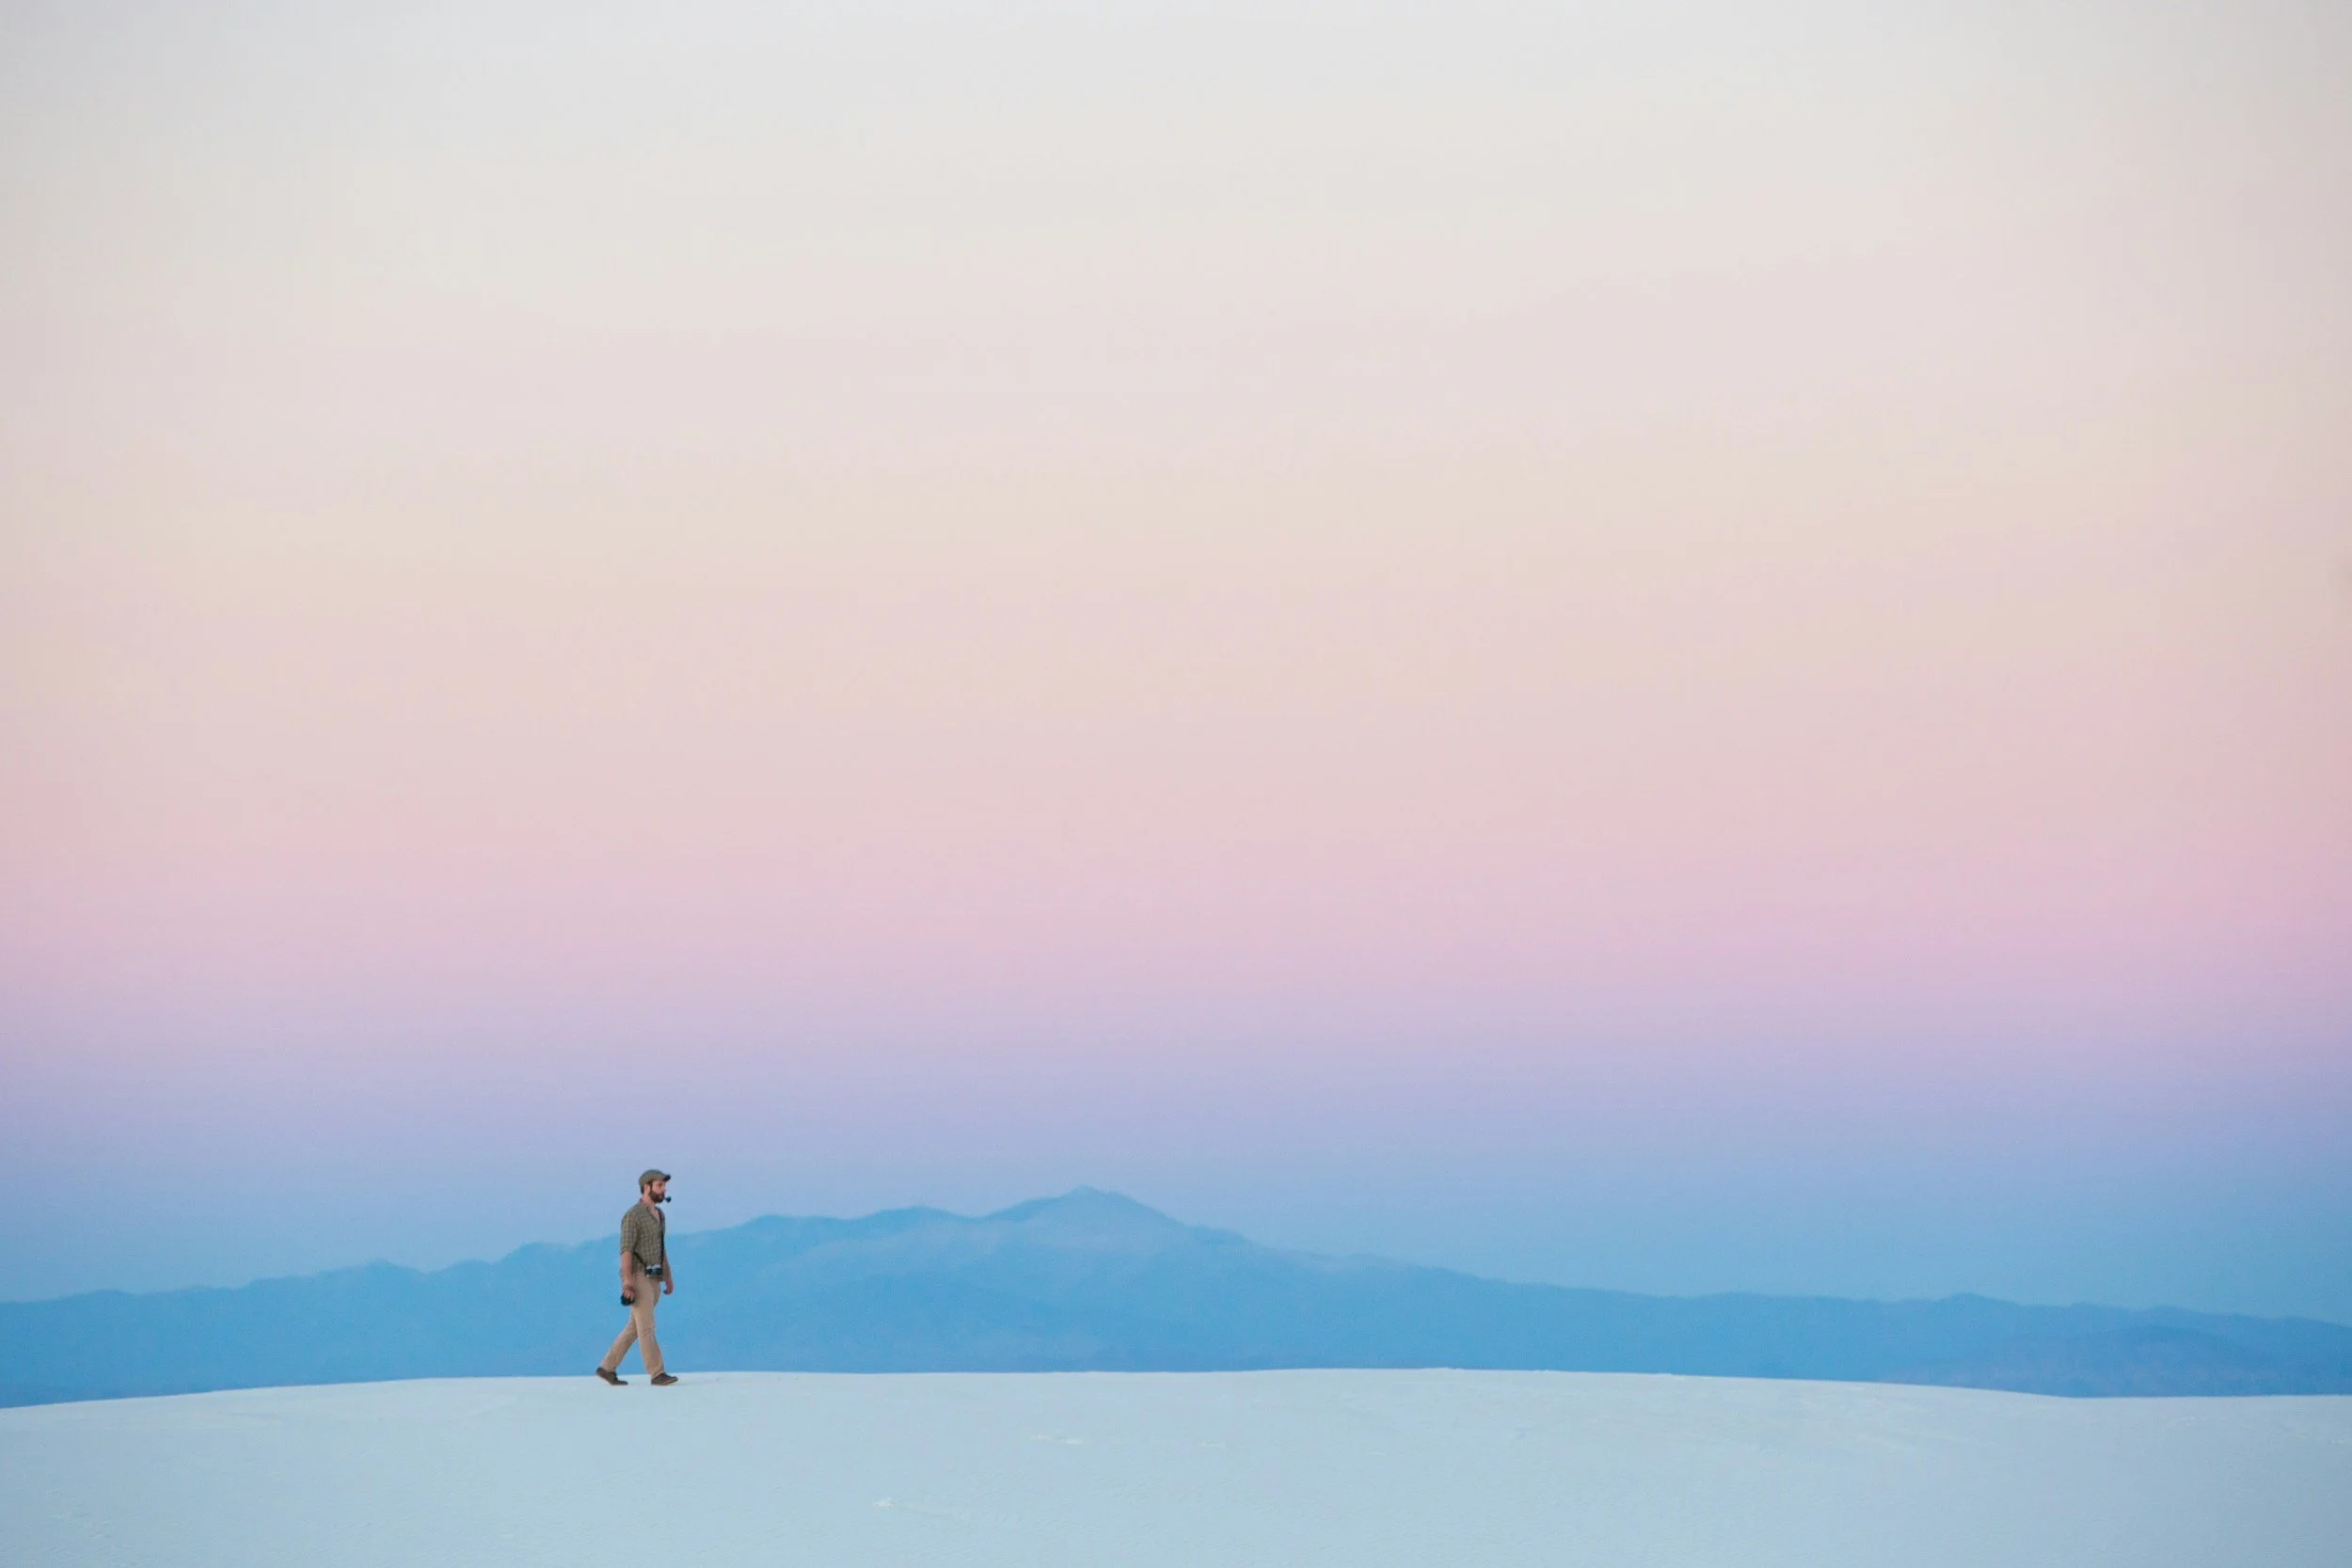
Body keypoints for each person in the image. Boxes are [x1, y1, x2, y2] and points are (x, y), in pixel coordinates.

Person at [596, 1169, 678, 1386]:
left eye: (664, 1186)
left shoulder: (660, 1216)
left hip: (655, 1278)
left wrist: (668, 1277)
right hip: (639, 1276)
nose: (664, 1190)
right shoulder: (633, 1215)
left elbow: (662, 1249)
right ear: (647, 1187)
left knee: (635, 1327)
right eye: (659, 1186)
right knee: (646, 1328)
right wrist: (628, 1281)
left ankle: (607, 1367)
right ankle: (657, 1373)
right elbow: (626, 1251)